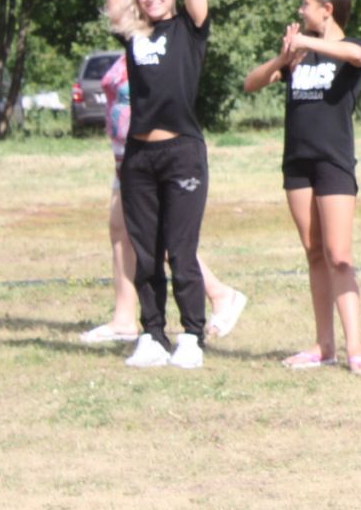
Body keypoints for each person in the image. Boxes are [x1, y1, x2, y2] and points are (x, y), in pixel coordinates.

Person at [89, 0, 218, 370]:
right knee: (145, 252)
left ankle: (192, 337)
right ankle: (152, 335)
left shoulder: (191, 26)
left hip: (182, 150)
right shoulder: (133, 33)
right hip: (138, 156)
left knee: (180, 252)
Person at [244, 0, 361, 373]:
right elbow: (251, 83)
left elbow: (359, 56)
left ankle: (356, 349)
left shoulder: (353, 48)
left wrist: (307, 44)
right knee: (314, 252)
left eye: (307, 4)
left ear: (327, 10)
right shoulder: (297, 57)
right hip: (297, 164)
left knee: (340, 256)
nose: (301, 11)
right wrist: (284, 59)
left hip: (333, 163)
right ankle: (323, 346)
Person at [79, 53, 248, 346]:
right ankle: (123, 318)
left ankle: (221, 294)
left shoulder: (159, 50)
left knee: (159, 237)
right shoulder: (129, 48)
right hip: (126, 154)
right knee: (121, 231)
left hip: (152, 156)